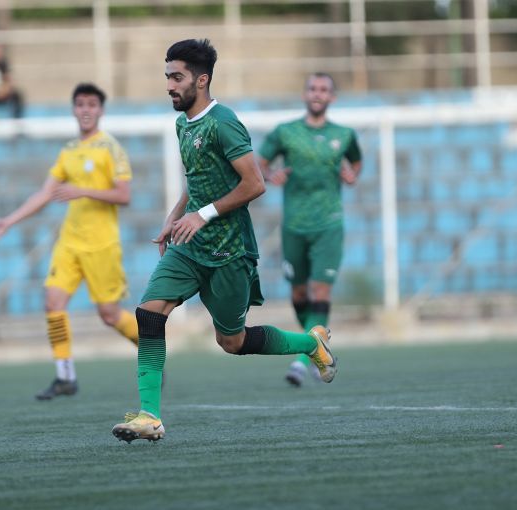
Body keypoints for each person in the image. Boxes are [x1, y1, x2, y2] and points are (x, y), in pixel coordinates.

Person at [111, 39, 338, 443]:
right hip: (188, 247)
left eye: (177, 77)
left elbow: (255, 183)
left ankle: (310, 343)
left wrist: (202, 215)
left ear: (201, 80)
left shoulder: (224, 122)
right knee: (148, 314)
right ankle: (150, 416)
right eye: (167, 77)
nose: (169, 85)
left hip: (228, 251)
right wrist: (175, 216)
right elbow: (197, 179)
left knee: (232, 341)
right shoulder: (183, 124)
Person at [0, 82, 139, 400]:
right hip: (69, 243)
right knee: (52, 303)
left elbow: (124, 196)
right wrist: (9, 221)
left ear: (101, 110)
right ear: (73, 109)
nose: (86, 110)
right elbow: (45, 193)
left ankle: (151, 350)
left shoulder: (111, 148)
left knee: (109, 315)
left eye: (92, 104)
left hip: (102, 245)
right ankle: (65, 376)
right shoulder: (68, 151)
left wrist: (83, 190)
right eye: (80, 104)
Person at [258, 73, 362, 388]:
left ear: (332, 97)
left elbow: (356, 162)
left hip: (329, 224)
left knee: (320, 291)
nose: (318, 94)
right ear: (305, 94)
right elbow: (260, 162)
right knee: (299, 293)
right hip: (294, 225)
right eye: (313, 89)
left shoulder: (343, 135)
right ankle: (320, 351)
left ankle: (303, 359)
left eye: (324, 90)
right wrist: (270, 175)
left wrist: (351, 174)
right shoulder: (286, 132)